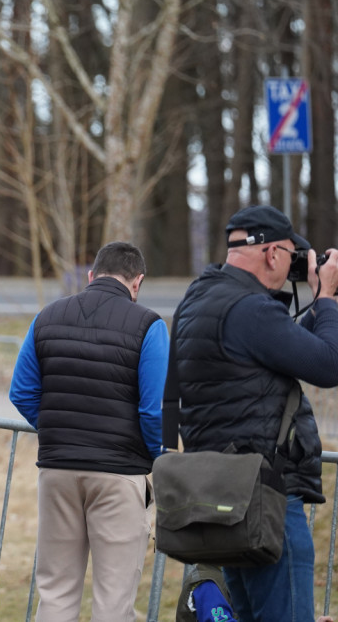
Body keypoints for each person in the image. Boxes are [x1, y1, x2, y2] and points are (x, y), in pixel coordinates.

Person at [171, 204, 338, 622]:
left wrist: (316, 303)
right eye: (291, 256)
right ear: (273, 254)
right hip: (267, 499)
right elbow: (327, 364)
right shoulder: (250, 309)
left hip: (224, 498)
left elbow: (276, 348)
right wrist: (329, 299)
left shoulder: (199, 298)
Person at [8, 241, 168, 621]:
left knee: (56, 592)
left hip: (57, 469)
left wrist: (58, 430)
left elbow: (21, 392)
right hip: (119, 472)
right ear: (137, 282)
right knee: (114, 599)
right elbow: (153, 409)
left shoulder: (46, 317)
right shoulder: (150, 325)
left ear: (92, 276)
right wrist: (158, 457)